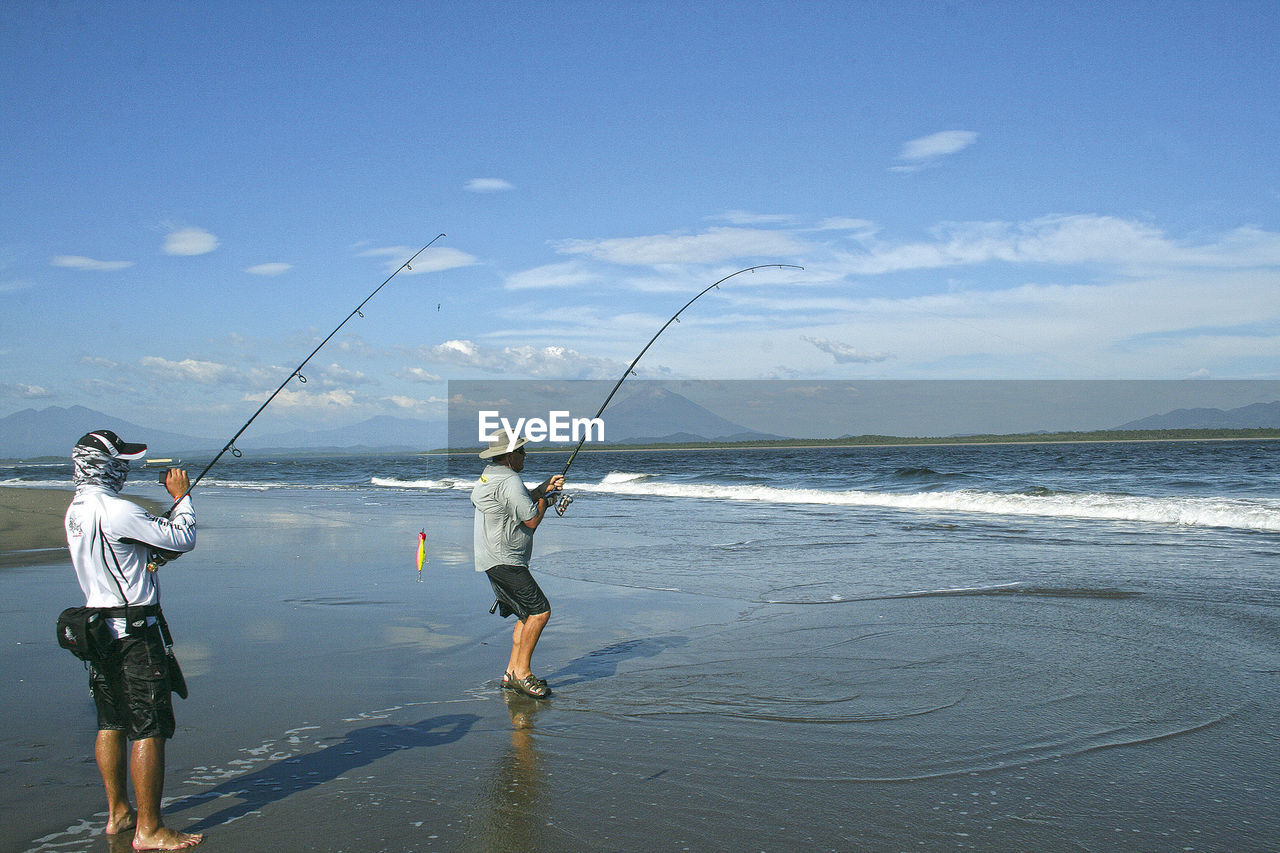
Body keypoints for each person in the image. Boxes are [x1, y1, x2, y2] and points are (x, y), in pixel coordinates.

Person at [63, 429, 202, 850]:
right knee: (149, 726)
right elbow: (184, 537)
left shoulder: (76, 509)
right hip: (136, 635)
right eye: (120, 460)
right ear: (104, 464)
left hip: (97, 631)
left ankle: (119, 813)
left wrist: (149, 558)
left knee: (111, 721)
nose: (126, 467)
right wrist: (181, 497)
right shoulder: (116, 509)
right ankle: (150, 829)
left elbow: (120, 557)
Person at [471, 427, 565, 699]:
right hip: (506, 560)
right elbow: (531, 520)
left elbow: (515, 503)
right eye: (522, 450)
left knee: (526, 614)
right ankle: (523, 674)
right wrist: (547, 501)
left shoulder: (489, 477)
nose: (525, 455)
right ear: (510, 455)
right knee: (540, 612)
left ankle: (511, 672)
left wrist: (541, 489)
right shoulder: (510, 480)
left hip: (491, 557)